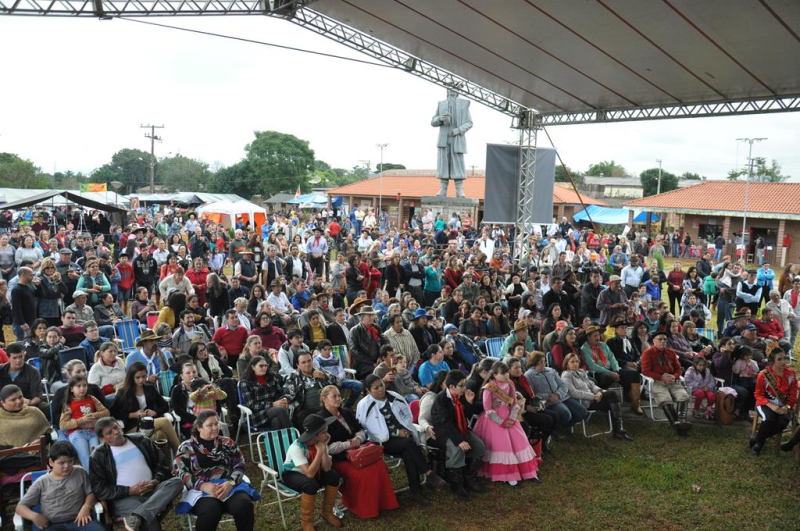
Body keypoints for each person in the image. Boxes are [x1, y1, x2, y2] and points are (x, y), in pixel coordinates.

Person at [356, 375, 446, 506]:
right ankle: (428, 472)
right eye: (376, 388)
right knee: (409, 444)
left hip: (403, 439)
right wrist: (397, 432)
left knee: (408, 454)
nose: (381, 389)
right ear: (368, 390)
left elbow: (406, 415)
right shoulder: (364, 405)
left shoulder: (394, 396)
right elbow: (370, 429)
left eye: (381, 385)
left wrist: (406, 429)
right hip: (382, 441)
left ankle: (417, 493)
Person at [90, 417, 185, 531]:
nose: (116, 432)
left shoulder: (141, 440)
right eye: (109, 432)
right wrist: (129, 490)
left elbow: (162, 465)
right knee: (151, 525)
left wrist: (155, 481)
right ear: (102, 439)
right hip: (126, 497)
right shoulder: (99, 455)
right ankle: (141, 515)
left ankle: (137, 516)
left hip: (153, 491)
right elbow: (99, 489)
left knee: (177, 482)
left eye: (116, 427)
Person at [318, 385, 399, 519]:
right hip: (340, 459)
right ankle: (365, 509)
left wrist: (357, 438)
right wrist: (348, 444)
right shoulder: (321, 419)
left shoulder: (346, 412)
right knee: (361, 475)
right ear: (324, 399)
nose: (339, 398)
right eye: (334, 396)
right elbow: (327, 447)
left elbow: (361, 430)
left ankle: (383, 502)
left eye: (339, 395)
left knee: (379, 466)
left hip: (360, 452)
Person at [175, 411, 257, 531]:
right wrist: (202, 485)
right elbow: (180, 472)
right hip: (201, 490)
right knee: (211, 510)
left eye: (216, 424)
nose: (215, 428)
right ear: (199, 427)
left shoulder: (227, 442)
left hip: (228, 486)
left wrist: (231, 483)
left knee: (244, 505)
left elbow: (240, 464)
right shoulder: (186, 447)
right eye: (210, 425)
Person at [471, 361, 539, 486]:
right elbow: (488, 410)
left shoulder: (510, 383)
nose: (506, 375)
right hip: (494, 421)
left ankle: (528, 473)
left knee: (521, 442)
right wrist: (502, 422)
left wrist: (512, 418)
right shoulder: (489, 387)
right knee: (503, 447)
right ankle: (509, 477)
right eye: (503, 373)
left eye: (507, 372)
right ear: (495, 375)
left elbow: (515, 403)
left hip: (509, 418)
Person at [15, 440, 105, 531]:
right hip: (51, 524)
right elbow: (20, 507)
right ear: (51, 462)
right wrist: (34, 516)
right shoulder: (41, 483)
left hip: (79, 520)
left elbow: (91, 493)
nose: (67, 466)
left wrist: (86, 507)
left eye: (70, 461)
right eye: (61, 463)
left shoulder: (80, 472)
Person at [429, 370, 486, 499]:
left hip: (462, 429)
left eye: (464, 384)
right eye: (461, 385)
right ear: (451, 387)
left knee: (480, 447)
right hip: (446, 433)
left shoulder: (460, 396)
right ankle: (457, 484)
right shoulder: (441, 399)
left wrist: (470, 402)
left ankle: (469, 479)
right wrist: (459, 441)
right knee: (456, 449)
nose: (464, 388)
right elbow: (445, 424)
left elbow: (467, 415)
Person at [281, 413, 343, 530]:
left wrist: (323, 448)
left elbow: (327, 468)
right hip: (293, 474)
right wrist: (319, 452)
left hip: (313, 471)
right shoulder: (297, 447)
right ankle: (306, 522)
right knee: (311, 484)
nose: (328, 435)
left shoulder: (318, 443)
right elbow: (309, 474)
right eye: (324, 432)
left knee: (333, 476)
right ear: (315, 435)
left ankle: (327, 513)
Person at [111, 362, 180, 454]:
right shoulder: (123, 392)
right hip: (133, 428)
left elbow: (165, 405)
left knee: (160, 435)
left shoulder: (150, 388)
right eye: (138, 377)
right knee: (165, 421)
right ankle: (180, 453)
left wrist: (155, 412)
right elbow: (114, 412)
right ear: (131, 377)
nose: (141, 380)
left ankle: (168, 467)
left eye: (144, 376)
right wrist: (133, 415)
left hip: (151, 425)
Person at [561, 353, 633, 441]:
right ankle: (619, 431)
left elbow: (592, 385)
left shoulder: (581, 372)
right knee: (612, 395)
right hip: (585, 402)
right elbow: (574, 393)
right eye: (572, 362)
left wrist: (599, 391)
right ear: (566, 363)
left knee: (613, 399)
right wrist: (593, 396)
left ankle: (619, 430)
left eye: (577, 361)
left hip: (595, 398)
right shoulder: (566, 376)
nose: (575, 364)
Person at [640, 330, 692, 435]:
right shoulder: (648, 353)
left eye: (665, 339)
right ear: (654, 341)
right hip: (657, 381)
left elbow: (678, 369)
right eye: (660, 339)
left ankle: (681, 421)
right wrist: (661, 377)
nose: (663, 341)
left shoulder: (671, 352)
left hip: (672, 381)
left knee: (683, 395)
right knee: (665, 399)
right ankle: (678, 427)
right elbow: (645, 371)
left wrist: (674, 376)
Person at [525, 351, 588, 431]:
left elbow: (563, 385)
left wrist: (558, 394)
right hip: (548, 402)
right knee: (566, 414)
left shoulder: (550, 370)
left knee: (582, 412)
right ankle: (556, 428)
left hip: (562, 397)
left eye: (544, 361)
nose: (544, 364)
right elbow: (532, 393)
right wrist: (548, 396)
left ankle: (562, 427)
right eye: (540, 362)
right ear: (534, 363)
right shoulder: (529, 375)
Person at [751, 347, 797, 456]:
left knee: (783, 421)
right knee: (769, 419)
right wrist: (771, 406)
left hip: (784, 406)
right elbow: (758, 394)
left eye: (785, 358)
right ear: (772, 362)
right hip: (765, 404)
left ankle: (757, 438)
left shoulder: (791, 374)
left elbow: (793, 394)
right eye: (779, 359)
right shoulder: (763, 375)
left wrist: (787, 407)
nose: (784, 361)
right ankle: (759, 444)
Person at [59, 374, 109, 471]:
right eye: (78, 386)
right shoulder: (69, 404)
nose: (82, 388)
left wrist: (94, 415)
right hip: (77, 434)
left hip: (93, 432)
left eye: (84, 385)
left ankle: (100, 479)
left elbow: (106, 412)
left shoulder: (91, 398)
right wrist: (82, 420)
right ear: (71, 389)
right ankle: (92, 482)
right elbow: (63, 425)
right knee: (86, 459)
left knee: (97, 456)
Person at [431, 88, 473, 198]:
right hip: (444, 139)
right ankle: (443, 188)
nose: (452, 91)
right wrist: (440, 118)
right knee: (443, 164)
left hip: (457, 138)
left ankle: (459, 189)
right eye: (450, 89)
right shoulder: (441, 104)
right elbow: (433, 122)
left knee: (457, 164)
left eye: (454, 89)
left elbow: (469, 123)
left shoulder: (464, 104)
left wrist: (458, 130)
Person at [283, 351, 339, 428]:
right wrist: (285, 399)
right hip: (307, 410)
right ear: (298, 365)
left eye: (309, 361)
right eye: (303, 362)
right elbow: (288, 394)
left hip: (326, 407)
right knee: (300, 416)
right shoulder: (293, 377)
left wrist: (324, 376)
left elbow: (339, 382)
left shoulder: (319, 371)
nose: (307, 364)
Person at [239, 355, 292, 431]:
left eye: (266, 365)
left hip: (274, 412)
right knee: (280, 410)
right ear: (253, 367)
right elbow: (252, 405)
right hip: (255, 415)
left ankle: (278, 442)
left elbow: (280, 393)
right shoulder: (245, 383)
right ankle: (294, 438)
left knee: (276, 421)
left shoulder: (271, 378)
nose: (264, 368)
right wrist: (272, 404)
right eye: (261, 366)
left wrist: (283, 399)